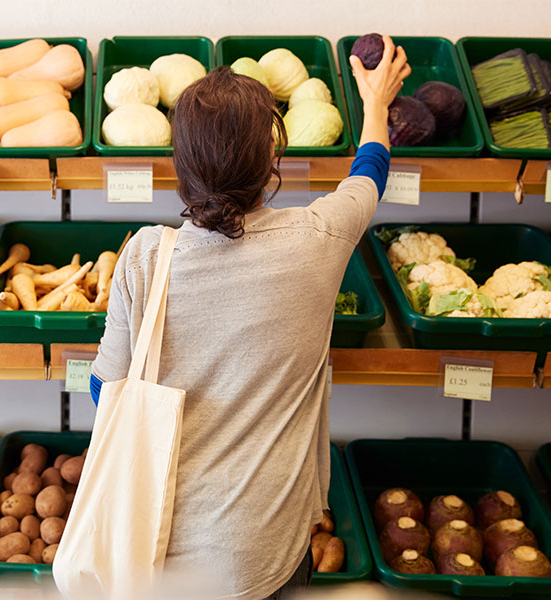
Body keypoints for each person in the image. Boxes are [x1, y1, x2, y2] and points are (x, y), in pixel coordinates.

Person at [88, 36, 410, 599]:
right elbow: (369, 174)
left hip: (154, 549)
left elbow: (104, 393)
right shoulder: (320, 236)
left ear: (179, 163)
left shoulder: (144, 253)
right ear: (271, 160)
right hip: (267, 550)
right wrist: (376, 102)